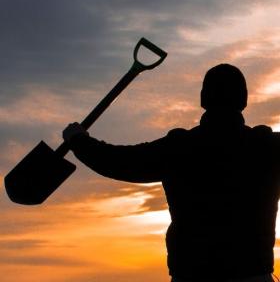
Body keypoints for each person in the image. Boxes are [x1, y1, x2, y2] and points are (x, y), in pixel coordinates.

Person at [63, 64, 280, 282]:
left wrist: (78, 140)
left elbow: (119, 162)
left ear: (203, 99)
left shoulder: (179, 148)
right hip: (253, 274)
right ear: (244, 100)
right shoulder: (268, 147)